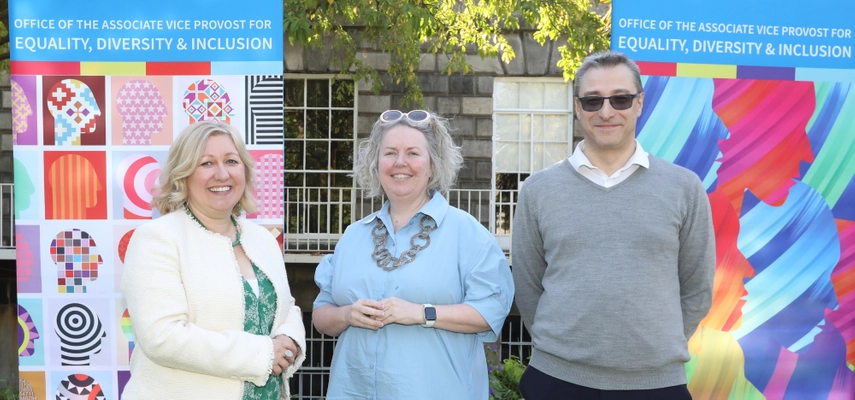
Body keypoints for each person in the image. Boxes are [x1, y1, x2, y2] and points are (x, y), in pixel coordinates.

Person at [512, 50, 715, 400]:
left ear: (639, 103)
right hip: (556, 380)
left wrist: (650, 350)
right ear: (577, 108)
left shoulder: (685, 187)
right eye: (592, 101)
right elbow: (528, 286)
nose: (606, 112)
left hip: (656, 384)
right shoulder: (538, 190)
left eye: (620, 98)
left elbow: (696, 287)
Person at [312, 110, 514, 399]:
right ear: (376, 163)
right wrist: (347, 314)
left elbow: (490, 311)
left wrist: (422, 313)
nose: (400, 163)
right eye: (390, 153)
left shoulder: (467, 233)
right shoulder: (353, 236)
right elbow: (321, 315)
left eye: (413, 153)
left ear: (433, 165)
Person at [121, 121, 305, 399]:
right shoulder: (156, 238)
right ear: (183, 174)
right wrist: (264, 354)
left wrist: (289, 341)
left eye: (231, 161)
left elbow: (287, 307)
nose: (222, 174)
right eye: (206, 163)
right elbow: (162, 337)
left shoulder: (263, 240)